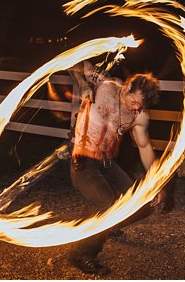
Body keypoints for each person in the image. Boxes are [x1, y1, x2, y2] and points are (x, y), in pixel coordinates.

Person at [67, 60, 163, 275]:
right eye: (135, 101)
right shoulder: (106, 85)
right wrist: (82, 83)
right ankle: (82, 253)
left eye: (141, 105)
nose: (136, 107)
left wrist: (156, 182)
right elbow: (76, 62)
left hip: (108, 163)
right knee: (106, 204)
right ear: (128, 87)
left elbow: (145, 147)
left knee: (140, 205)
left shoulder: (139, 116)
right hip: (83, 160)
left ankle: (101, 226)